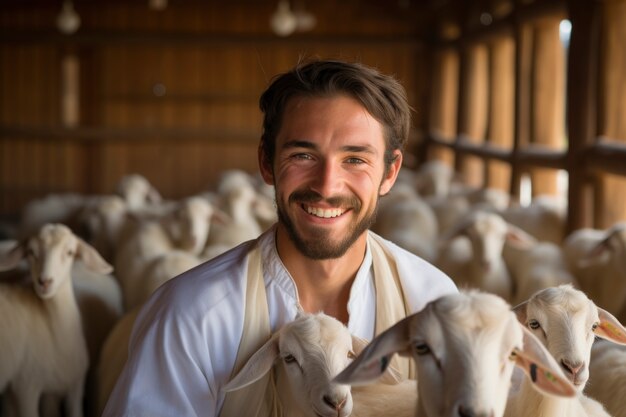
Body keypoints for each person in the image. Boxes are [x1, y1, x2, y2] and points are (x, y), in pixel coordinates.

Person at [103, 59, 457, 417]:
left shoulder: (432, 304)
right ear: (267, 162)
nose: (326, 186)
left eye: (354, 159)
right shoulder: (190, 315)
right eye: (303, 155)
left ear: (390, 172)